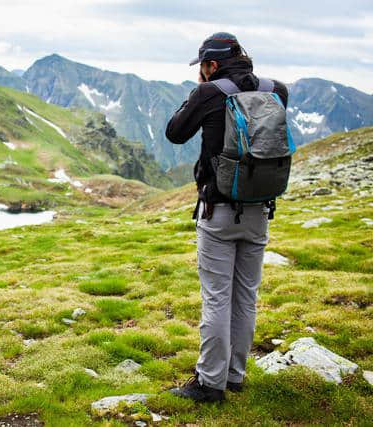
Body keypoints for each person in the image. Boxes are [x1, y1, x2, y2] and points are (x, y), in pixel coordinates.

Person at [164, 32, 289, 403]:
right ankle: (235, 375)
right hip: (260, 209)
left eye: (203, 66)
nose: (201, 72)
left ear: (212, 65)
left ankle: (210, 384)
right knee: (245, 297)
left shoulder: (209, 93)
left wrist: (201, 91)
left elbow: (175, 132)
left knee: (216, 298)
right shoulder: (276, 90)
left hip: (218, 211)